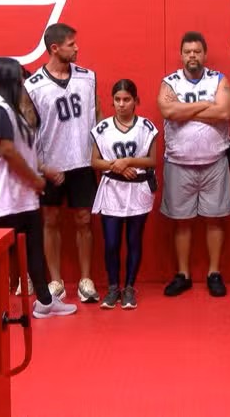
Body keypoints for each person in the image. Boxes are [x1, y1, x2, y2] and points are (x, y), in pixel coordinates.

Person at [0, 57, 76, 318]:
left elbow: (22, 150)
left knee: (33, 249)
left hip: (22, 196)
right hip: (5, 196)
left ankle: (44, 301)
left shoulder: (12, 109)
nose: (24, 84)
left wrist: (43, 170)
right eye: (20, 79)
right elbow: (7, 151)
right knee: (6, 256)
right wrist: (34, 179)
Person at [24, 23, 101, 303]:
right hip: (50, 164)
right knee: (50, 220)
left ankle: (85, 279)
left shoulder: (88, 77)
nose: (77, 48)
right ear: (55, 48)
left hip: (82, 160)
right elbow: (28, 130)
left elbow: (97, 115)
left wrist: (97, 153)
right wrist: (39, 165)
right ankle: (56, 280)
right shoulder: (33, 85)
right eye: (71, 44)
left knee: (84, 220)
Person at [158, 31, 230, 298]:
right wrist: (204, 105)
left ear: (204, 54)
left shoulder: (219, 79)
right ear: (181, 54)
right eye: (188, 51)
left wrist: (185, 110)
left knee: (215, 219)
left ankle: (214, 273)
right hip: (179, 162)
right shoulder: (169, 82)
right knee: (182, 222)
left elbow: (224, 112)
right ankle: (183, 274)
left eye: (197, 51)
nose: (192, 56)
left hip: (214, 161)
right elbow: (168, 111)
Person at [90, 80, 159, 309]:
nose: (121, 104)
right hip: (112, 188)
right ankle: (113, 288)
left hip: (138, 188)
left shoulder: (146, 127)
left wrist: (129, 161)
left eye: (126, 99)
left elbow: (152, 160)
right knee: (111, 242)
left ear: (135, 101)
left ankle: (129, 287)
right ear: (112, 101)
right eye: (117, 100)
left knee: (133, 240)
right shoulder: (103, 128)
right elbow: (95, 161)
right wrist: (116, 166)